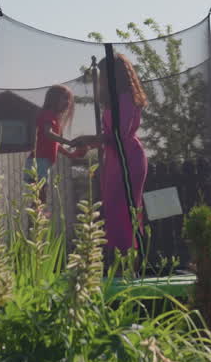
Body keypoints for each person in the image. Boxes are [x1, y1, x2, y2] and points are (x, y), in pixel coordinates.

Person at [72, 53, 148, 252]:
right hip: (115, 158)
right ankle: (119, 257)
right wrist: (87, 144)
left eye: (104, 74)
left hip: (128, 157)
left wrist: (90, 139)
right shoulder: (113, 100)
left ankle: (127, 258)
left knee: (123, 208)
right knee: (113, 208)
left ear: (115, 75)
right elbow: (108, 137)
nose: (101, 78)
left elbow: (119, 134)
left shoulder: (125, 98)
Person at [29, 84, 84, 205]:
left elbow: (54, 143)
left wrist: (70, 154)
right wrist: (69, 142)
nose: (68, 102)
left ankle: (36, 221)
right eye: (64, 98)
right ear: (53, 99)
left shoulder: (52, 116)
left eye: (69, 99)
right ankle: (35, 223)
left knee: (39, 197)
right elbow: (48, 133)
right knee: (39, 197)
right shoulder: (48, 114)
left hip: (41, 162)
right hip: (38, 162)